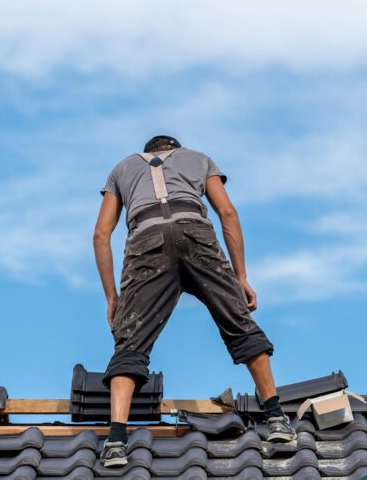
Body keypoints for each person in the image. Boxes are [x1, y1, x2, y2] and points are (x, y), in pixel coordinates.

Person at [92, 135, 295, 467]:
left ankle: (116, 440)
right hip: (195, 233)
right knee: (238, 320)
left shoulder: (121, 170)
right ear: (175, 149)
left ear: (148, 152)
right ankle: (276, 417)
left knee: (129, 341)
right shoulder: (200, 159)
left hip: (147, 241)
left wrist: (112, 297)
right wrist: (240, 277)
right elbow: (227, 213)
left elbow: (101, 234)